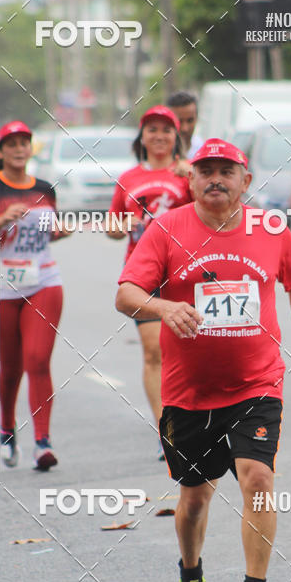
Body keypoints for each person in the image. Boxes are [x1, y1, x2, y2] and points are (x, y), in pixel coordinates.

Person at [116, 138, 291, 582]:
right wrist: (165, 307)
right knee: (194, 496)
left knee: (258, 479)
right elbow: (126, 293)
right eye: (206, 170)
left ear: (245, 181)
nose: (216, 179)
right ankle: (191, 578)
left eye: (226, 171)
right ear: (189, 180)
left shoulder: (270, 229)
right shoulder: (166, 228)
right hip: (188, 392)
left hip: (256, 384)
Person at [0, 121, 70, 471]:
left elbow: (47, 234)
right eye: (12, 144)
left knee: (37, 359)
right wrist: (0, 220)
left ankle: (42, 442)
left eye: (25, 142)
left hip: (43, 281)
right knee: (11, 367)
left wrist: (60, 231)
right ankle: (7, 430)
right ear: (1, 150)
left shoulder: (44, 188)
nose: (19, 149)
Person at [107, 105, 192, 458]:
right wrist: (122, 226)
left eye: (166, 129)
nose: (158, 136)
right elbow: (113, 226)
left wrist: (194, 179)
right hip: (143, 274)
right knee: (154, 351)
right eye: (151, 129)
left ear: (177, 137)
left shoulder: (189, 173)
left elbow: (219, 211)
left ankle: (196, 419)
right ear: (142, 137)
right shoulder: (128, 178)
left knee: (188, 350)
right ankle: (167, 430)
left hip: (185, 270)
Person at [167, 90, 203, 159]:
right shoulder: (156, 154)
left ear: (197, 119)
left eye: (190, 120)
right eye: (179, 121)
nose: (185, 128)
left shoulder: (203, 151)